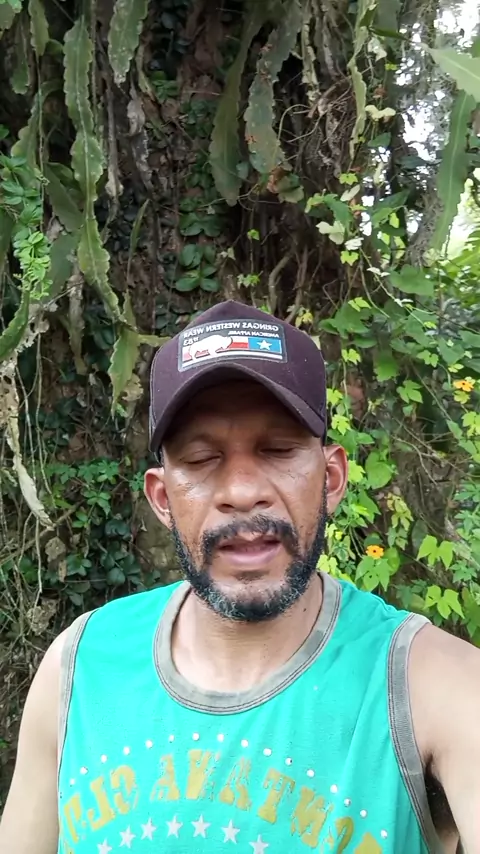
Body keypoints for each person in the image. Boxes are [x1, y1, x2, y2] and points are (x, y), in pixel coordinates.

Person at [1, 300, 478, 854]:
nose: (242, 491)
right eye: (202, 458)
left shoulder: (432, 684)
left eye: (277, 450)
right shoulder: (78, 667)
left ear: (330, 479)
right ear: (162, 498)